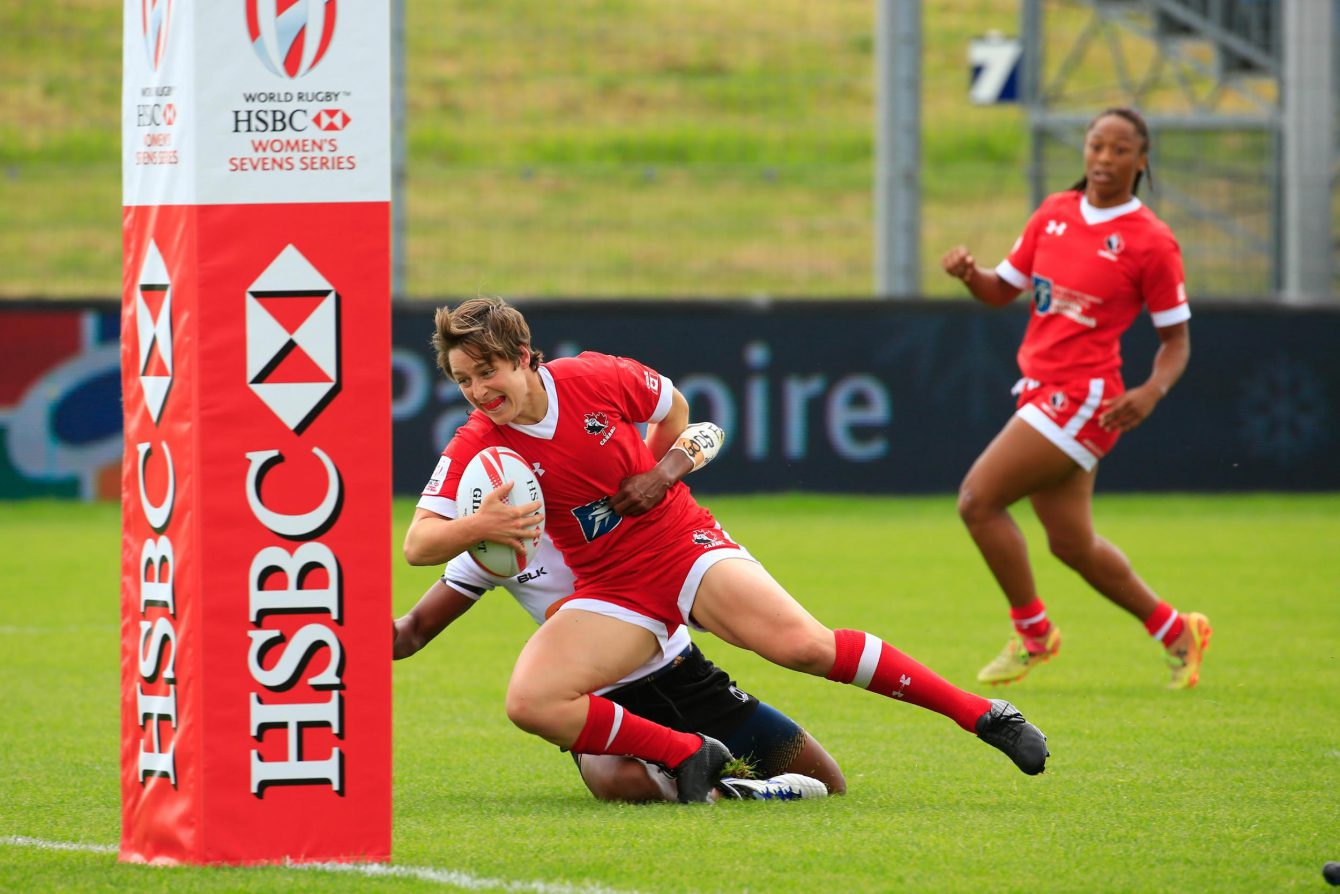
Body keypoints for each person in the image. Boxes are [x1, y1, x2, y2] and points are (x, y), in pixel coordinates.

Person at [404, 296, 1049, 804]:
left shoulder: (593, 377)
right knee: (530, 702)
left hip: (681, 545)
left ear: (523, 356)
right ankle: (689, 755)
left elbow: (680, 409)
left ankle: (982, 715)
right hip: (611, 590)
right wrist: (476, 524)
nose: (478, 391)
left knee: (805, 647)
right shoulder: (482, 441)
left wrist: (662, 470)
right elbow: (418, 544)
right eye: (462, 380)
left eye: (486, 372)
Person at [940, 106, 1212, 690]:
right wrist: (970, 274)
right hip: (1041, 390)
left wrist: (1152, 391)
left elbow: (1176, 341)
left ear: (1141, 162)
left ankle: (1034, 633)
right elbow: (1000, 290)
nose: (1103, 159)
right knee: (1072, 543)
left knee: (977, 500)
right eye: (1096, 146)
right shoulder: (1055, 214)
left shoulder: (1152, 241)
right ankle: (1176, 632)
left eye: (1119, 150)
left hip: (1085, 397)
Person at [393, 531, 844, 802]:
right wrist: (342, 626)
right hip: (599, 702)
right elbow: (409, 634)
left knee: (828, 783)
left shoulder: (608, 503)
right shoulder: (491, 546)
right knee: (622, 784)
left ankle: (717, 771)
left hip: (686, 679)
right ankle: (731, 792)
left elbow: (687, 427)